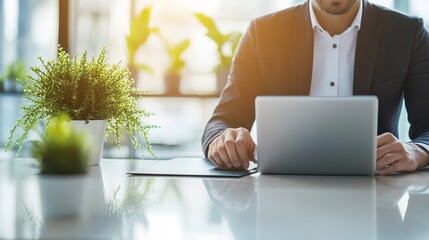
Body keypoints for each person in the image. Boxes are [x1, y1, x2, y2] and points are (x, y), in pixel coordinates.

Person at [202, 0, 429, 175]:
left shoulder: (408, 33)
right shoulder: (262, 33)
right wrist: (223, 140)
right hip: (280, 200)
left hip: (379, 193)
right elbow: (221, 122)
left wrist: (417, 151)